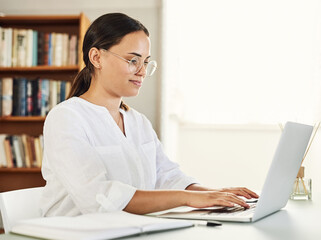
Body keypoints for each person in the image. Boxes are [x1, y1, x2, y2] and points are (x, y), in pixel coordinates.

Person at [40, 12, 259, 217]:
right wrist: (189, 198)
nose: (143, 71)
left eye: (145, 62)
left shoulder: (138, 122)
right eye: (133, 60)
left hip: (130, 230)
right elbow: (100, 198)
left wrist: (214, 194)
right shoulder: (66, 118)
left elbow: (168, 176)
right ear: (96, 58)